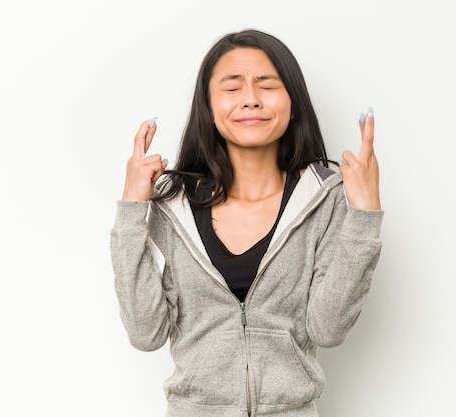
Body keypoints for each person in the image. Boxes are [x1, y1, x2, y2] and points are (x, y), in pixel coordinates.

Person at [111, 29, 383, 417]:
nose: (251, 99)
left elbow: (329, 328)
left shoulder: (325, 198)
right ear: (208, 104)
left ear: (293, 103)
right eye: (232, 88)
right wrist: (131, 209)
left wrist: (364, 217)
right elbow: (146, 332)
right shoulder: (172, 206)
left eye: (267, 85)